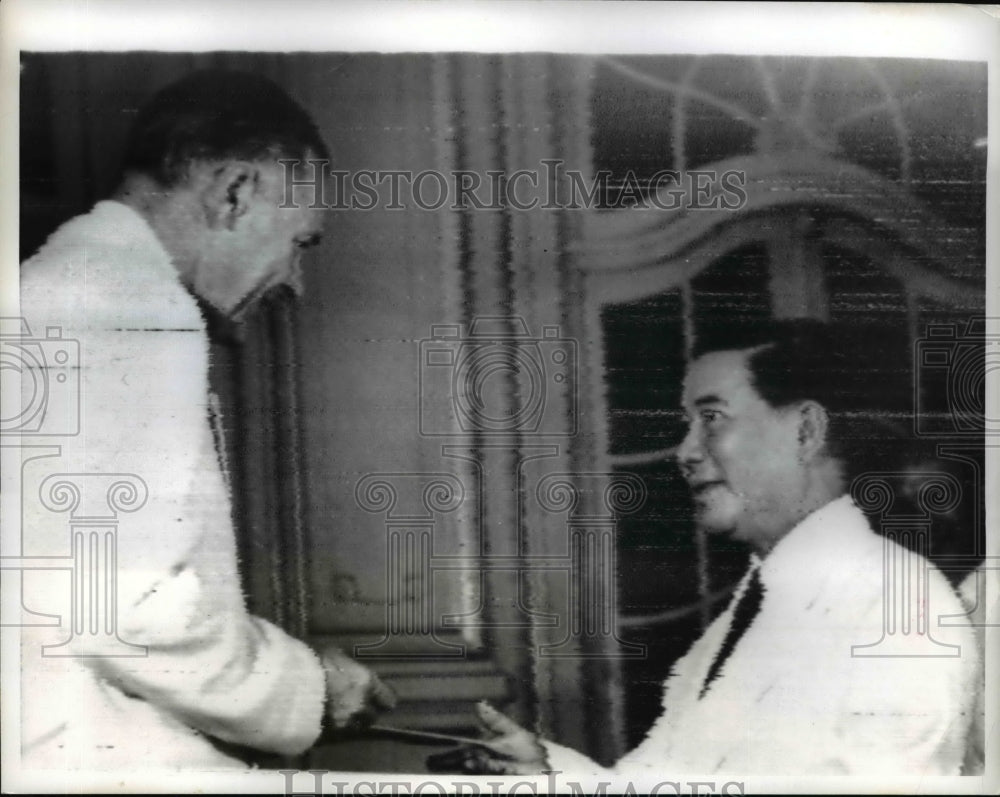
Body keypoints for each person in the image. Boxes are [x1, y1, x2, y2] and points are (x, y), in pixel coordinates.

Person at [18, 70, 394, 769]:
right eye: (300, 243)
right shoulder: (134, 310)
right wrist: (309, 687)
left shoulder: (49, 286)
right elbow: (130, 607)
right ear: (235, 192)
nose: (295, 282)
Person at [437, 320, 980, 776]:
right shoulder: (757, 602)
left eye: (712, 418)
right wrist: (550, 772)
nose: (686, 451)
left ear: (806, 432)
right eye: (687, 424)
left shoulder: (901, 610)